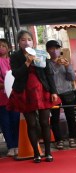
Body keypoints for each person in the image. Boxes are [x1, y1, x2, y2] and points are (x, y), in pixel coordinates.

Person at [8, 30, 59, 162]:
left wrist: (53, 91)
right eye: (23, 40)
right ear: (19, 42)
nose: (27, 42)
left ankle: (48, 152)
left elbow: (48, 74)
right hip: (24, 91)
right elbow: (16, 74)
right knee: (31, 123)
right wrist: (27, 62)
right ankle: (36, 153)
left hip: (42, 90)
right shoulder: (15, 56)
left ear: (33, 41)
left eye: (29, 39)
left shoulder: (40, 53)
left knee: (45, 122)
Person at [46, 40, 76, 149]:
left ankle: (72, 138)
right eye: (52, 48)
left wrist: (67, 66)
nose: (55, 50)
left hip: (67, 92)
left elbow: (72, 78)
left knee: (70, 116)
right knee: (55, 117)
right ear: (48, 50)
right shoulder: (46, 64)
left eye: (57, 48)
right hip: (54, 94)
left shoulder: (65, 61)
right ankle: (58, 140)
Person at [0, 38, 19, 157]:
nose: (1, 48)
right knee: (5, 123)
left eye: (3, 46)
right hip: (2, 97)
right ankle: (10, 146)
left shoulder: (13, 61)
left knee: (16, 121)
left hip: (15, 97)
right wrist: (6, 85)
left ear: (9, 48)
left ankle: (17, 145)